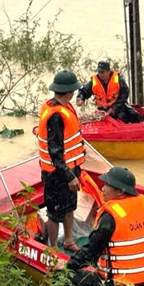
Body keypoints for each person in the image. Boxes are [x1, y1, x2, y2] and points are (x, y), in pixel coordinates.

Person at [57, 166, 144, 286]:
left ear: (120, 191)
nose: (102, 189)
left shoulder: (111, 216)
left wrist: (67, 265)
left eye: (107, 185)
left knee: (62, 276)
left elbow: (90, 252)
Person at [35, 70, 86, 253]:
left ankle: (69, 241)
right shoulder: (55, 116)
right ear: (71, 92)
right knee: (55, 212)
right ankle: (54, 249)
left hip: (71, 168)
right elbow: (55, 151)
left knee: (70, 206)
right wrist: (69, 176)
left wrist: (73, 173)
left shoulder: (62, 108)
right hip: (57, 174)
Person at [75, 60, 140, 123]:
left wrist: (114, 107)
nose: (100, 74)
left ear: (108, 71)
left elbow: (125, 93)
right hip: (102, 110)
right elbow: (83, 91)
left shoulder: (118, 80)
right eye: (99, 72)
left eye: (102, 72)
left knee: (134, 115)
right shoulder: (94, 81)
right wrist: (80, 98)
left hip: (118, 107)